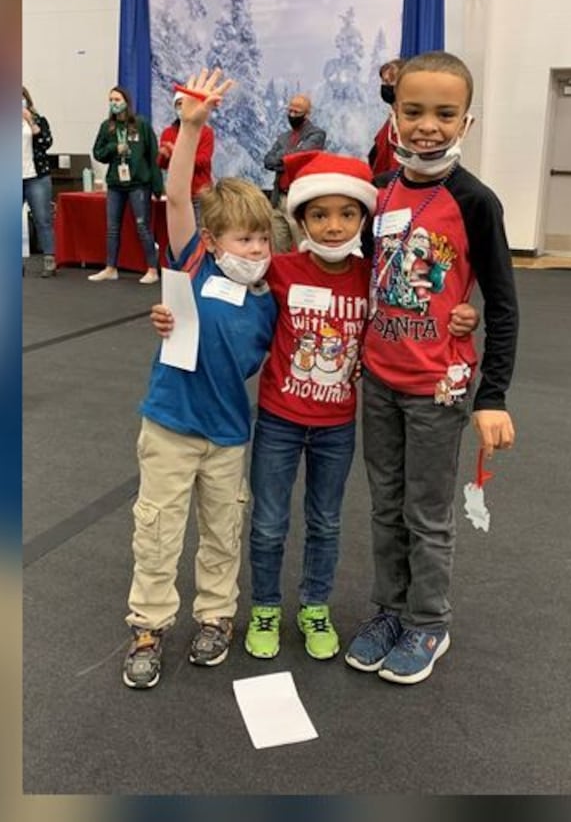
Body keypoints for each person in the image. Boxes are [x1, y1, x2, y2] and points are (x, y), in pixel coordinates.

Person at [152, 152, 480, 663]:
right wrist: (174, 313)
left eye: (347, 215)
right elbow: (211, 284)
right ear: (301, 220)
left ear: (363, 220)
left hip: (335, 427)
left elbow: (418, 304)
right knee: (267, 522)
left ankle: (314, 607)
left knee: (326, 521)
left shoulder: (373, 277)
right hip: (279, 423)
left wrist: (460, 314)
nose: (333, 226)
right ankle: (264, 606)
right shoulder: (278, 271)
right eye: (320, 215)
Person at [345, 50, 520, 685]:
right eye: (413, 110)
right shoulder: (381, 192)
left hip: (437, 389)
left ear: (466, 122)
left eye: (444, 114)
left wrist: (491, 394)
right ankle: (389, 609)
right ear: (393, 114)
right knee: (384, 504)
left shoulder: (475, 201)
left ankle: (428, 621)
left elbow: (501, 304)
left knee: (427, 510)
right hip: (381, 381)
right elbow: (363, 276)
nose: (428, 125)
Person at [120, 69, 276, 689]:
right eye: (244, 239)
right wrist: (190, 127)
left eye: (263, 239)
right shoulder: (193, 263)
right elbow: (179, 197)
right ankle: (149, 624)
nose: (256, 249)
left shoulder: (271, 292)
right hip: (170, 425)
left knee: (222, 529)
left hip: (228, 434)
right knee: (157, 528)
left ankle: (216, 615)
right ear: (213, 242)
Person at [90, 85, 161, 284]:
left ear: (126, 102)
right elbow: (98, 153)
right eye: (111, 100)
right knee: (112, 227)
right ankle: (111, 267)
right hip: (115, 184)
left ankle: (152, 269)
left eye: (117, 99)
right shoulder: (107, 127)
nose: (114, 103)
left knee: (142, 226)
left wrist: (157, 187)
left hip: (138, 183)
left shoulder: (141, 124)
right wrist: (114, 148)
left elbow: (153, 156)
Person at [262, 93, 326, 254]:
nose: (292, 115)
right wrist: (287, 158)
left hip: (299, 198)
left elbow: (300, 157)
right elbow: (268, 161)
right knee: (278, 247)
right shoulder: (283, 137)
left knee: (302, 247)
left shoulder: (317, 134)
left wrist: (286, 157)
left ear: (307, 114)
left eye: (297, 112)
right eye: (290, 111)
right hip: (279, 198)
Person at [158, 90, 214, 220]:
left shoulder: (206, 132)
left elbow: (203, 161)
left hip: (199, 192)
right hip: (177, 193)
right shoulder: (168, 133)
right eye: (178, 104)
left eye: (185, 103)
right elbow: (163, 165)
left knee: (200, 231)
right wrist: (163, 156)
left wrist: (176, 153)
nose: (181, 108)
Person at [22, 87, 57, 277]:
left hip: (36, 176)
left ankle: (49, 258)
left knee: (43, 218)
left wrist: (32, 123)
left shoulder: (38, 120)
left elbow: (46, 142)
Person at [367, 59, 403, 178]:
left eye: (390, 81)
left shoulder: (406, 123)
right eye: (384, 81)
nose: (385, 86)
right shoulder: (391, 120)